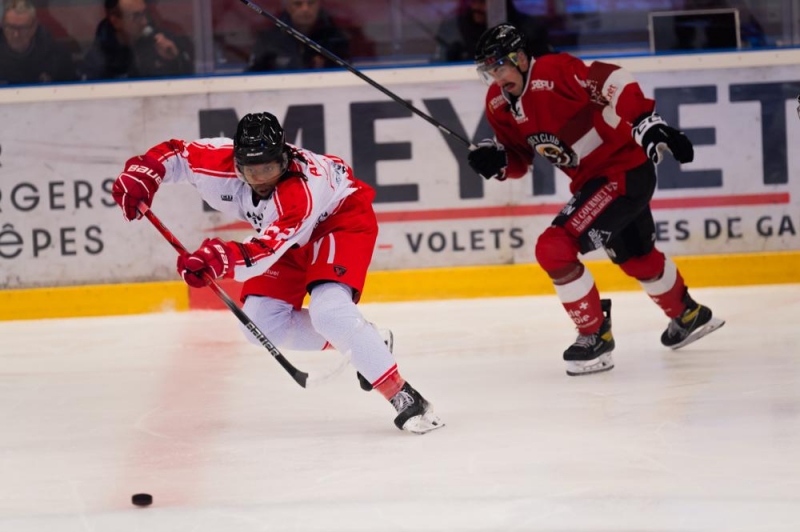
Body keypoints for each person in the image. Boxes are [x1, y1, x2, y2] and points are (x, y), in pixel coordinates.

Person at [111, 112, 444, 434]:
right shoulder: (217, 162)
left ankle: (404, 397)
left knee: (329, 311)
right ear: (236, 162)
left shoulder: (299, 192)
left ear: (284, 159)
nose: (261, 179)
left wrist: (217, 258)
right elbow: (177, 154)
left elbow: (265, 251)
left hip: (338, 222)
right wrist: (145, 171)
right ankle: (367, 340)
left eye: (269, 168)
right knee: (261, 323)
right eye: (251, 170)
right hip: (281, 232)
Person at [467, 24, 725, 376]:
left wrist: (645, 121)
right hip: (601, 181)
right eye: (488, 71)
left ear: (521, 58)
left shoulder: (554, 71)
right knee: (637, 259)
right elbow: (519, 161)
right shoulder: (498, 104)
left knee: (554, 248)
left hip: (622, 172)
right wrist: (497, 162)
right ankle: (689, 314)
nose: (496, 78)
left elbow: (612, 79)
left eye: (500, 66)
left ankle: (594, 334)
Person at [81, 0, 193, 80]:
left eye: (144, 13)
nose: (144, 22)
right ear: (116, 21)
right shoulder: (99, 58)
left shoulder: (160, 41)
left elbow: (188, 80)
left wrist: (174, 59)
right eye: (136, 16)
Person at [434, 0, 552, 63]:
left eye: (482, 2)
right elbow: (440, 64)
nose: (476, 7)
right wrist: (454, 58)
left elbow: (541, 63)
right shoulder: (454, 28)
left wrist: (512, 58)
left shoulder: (528, 28)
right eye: (473, 1)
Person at [247, 0, 349, 72]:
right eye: (298, 4)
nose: (305, 9)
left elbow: (347, 76)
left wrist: (325, 67)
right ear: (287, 6)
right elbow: (250, 78)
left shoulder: (335, 37)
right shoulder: (268, 40)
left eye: (311, 3)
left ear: (318, 4)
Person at [0, 0, 77, 85]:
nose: (16, 35)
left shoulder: (56, 56)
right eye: (11, 27)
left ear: (34, 27)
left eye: (22, 28)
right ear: (2, 25)